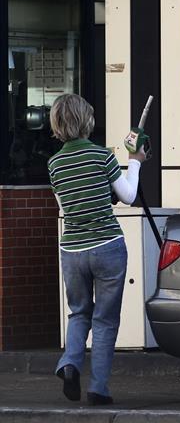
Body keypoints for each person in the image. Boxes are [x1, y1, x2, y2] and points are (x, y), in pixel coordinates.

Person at [47, 94, 146, 406]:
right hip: (107, 246)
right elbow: (128, 196)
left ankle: (69, 363)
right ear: (86, 120)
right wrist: (135, 161)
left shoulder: (54, 164)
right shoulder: (101, 156)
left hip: (72, 249)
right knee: (104, 320)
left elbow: (65, 208)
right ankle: (98, 388)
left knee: (79, 313)